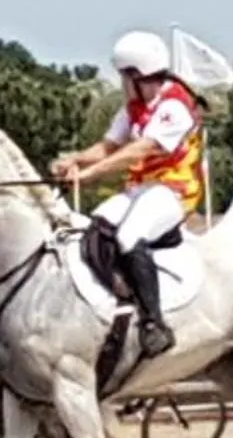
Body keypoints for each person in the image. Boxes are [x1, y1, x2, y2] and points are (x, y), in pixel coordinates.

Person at [50, 31, 205, 361]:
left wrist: (90, 175)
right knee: (96, 226)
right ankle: (117, 302)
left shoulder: (174, 107)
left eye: (124, 76)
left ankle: (154, 323)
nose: (121, 83)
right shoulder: (134, 108)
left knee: (129, 236)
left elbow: (137, 151)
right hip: (142, 189)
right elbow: (108, 146)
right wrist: (75, 159)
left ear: (136, 75)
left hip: (174, 191)